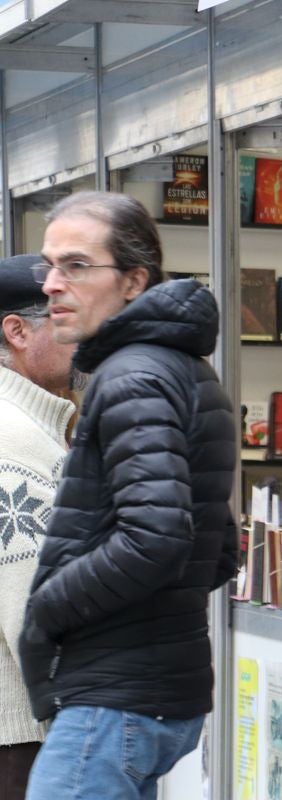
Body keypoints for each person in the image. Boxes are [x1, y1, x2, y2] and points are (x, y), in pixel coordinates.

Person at [18, 191, 237, 799]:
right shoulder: (179, 369)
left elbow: (157, 536)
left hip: (114, 699)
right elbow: (218, 547)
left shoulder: (134, 375)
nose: (53, 285)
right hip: (147, 690)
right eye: (49, 266)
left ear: (134, 280)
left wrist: (46, 611)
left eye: (77, 266)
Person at [0, 255, 79, 799]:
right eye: (65, 320)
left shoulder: (34, 426)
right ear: (16, 331)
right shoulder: (15, 439)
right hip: (23, 739)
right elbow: (28, 607)